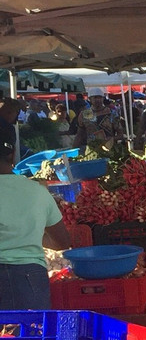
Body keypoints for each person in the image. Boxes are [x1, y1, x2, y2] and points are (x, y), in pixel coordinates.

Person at [0, 135, 71, 308]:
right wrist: (28, 235)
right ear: (13, 155)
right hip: (30, 278)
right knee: (32, 332)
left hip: (27, 278)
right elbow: (62, 241)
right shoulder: (38, 192)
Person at [73, 87, 121, 151]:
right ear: (89, 99)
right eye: (95, 97)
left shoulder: (112, 113)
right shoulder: (84, 114)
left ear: (103, 98)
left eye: (100, 97)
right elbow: (79, 135)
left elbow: (120, 135)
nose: (98, 100)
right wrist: (73, 150)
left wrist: (111, 138)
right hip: (92, 150)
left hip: (110, 150)